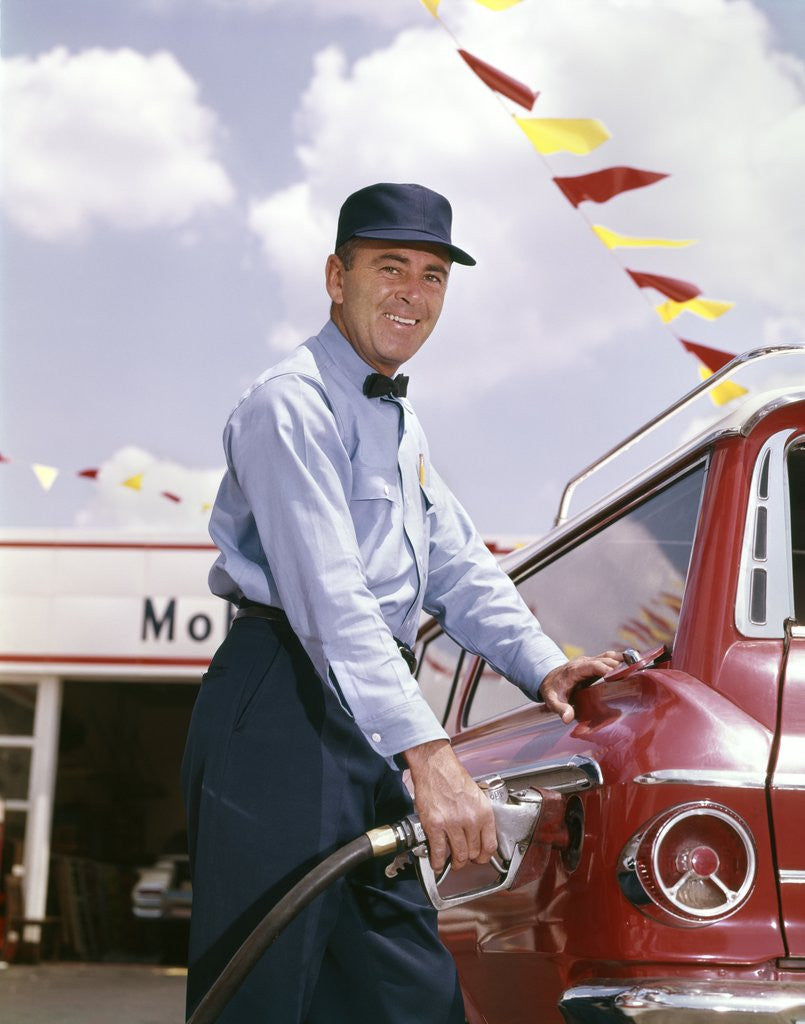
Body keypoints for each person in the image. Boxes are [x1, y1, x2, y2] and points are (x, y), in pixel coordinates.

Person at [181, 181, 622, 1023]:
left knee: (405, 991)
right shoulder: (291, 403)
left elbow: (457, 567)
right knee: (266, 992)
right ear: (334, 277)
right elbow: (330, 604)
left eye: (432, 276)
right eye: (390, 267)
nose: (412, 294)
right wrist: (432, 755)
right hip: (279, 706)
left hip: (363, 716)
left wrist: (547, 666)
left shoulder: (398, 424)